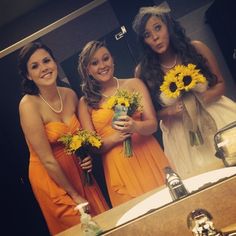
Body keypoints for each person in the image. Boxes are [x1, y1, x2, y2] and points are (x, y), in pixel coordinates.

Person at [132, 6, 236, 178]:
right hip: (180, 134)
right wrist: (170, 111)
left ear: (169, 26)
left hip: (216, 115)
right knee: (203, 179)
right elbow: (152, 115)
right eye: (147, 35)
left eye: (158, 27)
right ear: (144, 41)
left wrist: (201, 98)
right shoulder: (143, 72)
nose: (155, 37)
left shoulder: (197, 49)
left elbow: (221, 84)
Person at [18, 42, 109, 235]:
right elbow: (47, 159)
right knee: (81, 227)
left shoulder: (70, 95)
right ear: (28, 75)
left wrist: (86, 157)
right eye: (35, 66)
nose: (43, 68)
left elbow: (81, 138)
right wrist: (74, 194)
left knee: (102, 223)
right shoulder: (28, 105)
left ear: (55, 63)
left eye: (46, 61)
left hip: (78, 172)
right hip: (50, 177)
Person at [77, 40, 170, 207]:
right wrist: (116, 138)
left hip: (148, 155)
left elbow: (153, 125)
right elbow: (93, 146)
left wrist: (135, 127)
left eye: (105, 59)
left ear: (113, 59)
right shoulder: (85, 103)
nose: (102, 65)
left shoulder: (134, 84)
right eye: (95, 63)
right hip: (119, 167)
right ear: (88, 70)